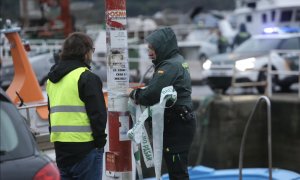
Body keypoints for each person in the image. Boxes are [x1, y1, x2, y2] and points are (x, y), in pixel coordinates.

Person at [129, 27, 196, 180]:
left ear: (163, 47)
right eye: (148, 48)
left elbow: (151, 94)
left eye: (153, 48)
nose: (149, 52)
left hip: (177, 125)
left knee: (178, 173)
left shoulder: (170, 66)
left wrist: (133, 93)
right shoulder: (175, 61)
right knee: (177, 171)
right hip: (180, 123)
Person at [46, 32, 107, 180]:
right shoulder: (86, 77)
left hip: (61, 149)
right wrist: (100, 142)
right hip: (85, 148)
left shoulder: (52, 79)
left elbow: (51, 112)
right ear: (85, 52)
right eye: (91, 50)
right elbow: (98, 115)